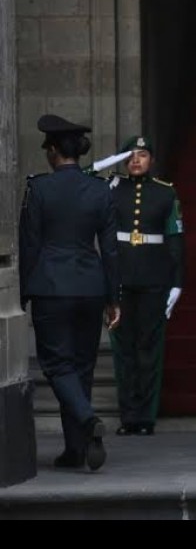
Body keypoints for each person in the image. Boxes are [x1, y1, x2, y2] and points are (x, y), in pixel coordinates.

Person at [18, 114, 121, 471]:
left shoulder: (40, 189)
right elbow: (111, 249)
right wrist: (114, 298)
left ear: (52, 151)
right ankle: (76, 450)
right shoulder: (100, 189)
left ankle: (87, 421)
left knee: (57, 364)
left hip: (51, 287)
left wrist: (22, 292)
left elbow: (29, 245)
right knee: (82, 367)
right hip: (90, 287)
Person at [105, 135, 185, 436]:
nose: (136, 160)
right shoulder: (112, 189)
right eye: (130, 155)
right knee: (123, 351)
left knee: (149, 349)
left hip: (154, 279)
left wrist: (177, 282)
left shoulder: (165, 193)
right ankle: (128, 416)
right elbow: (81, 177)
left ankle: (146, 418)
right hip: (121, 279)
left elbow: (175, 239)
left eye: (142, 154)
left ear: (152, 159)